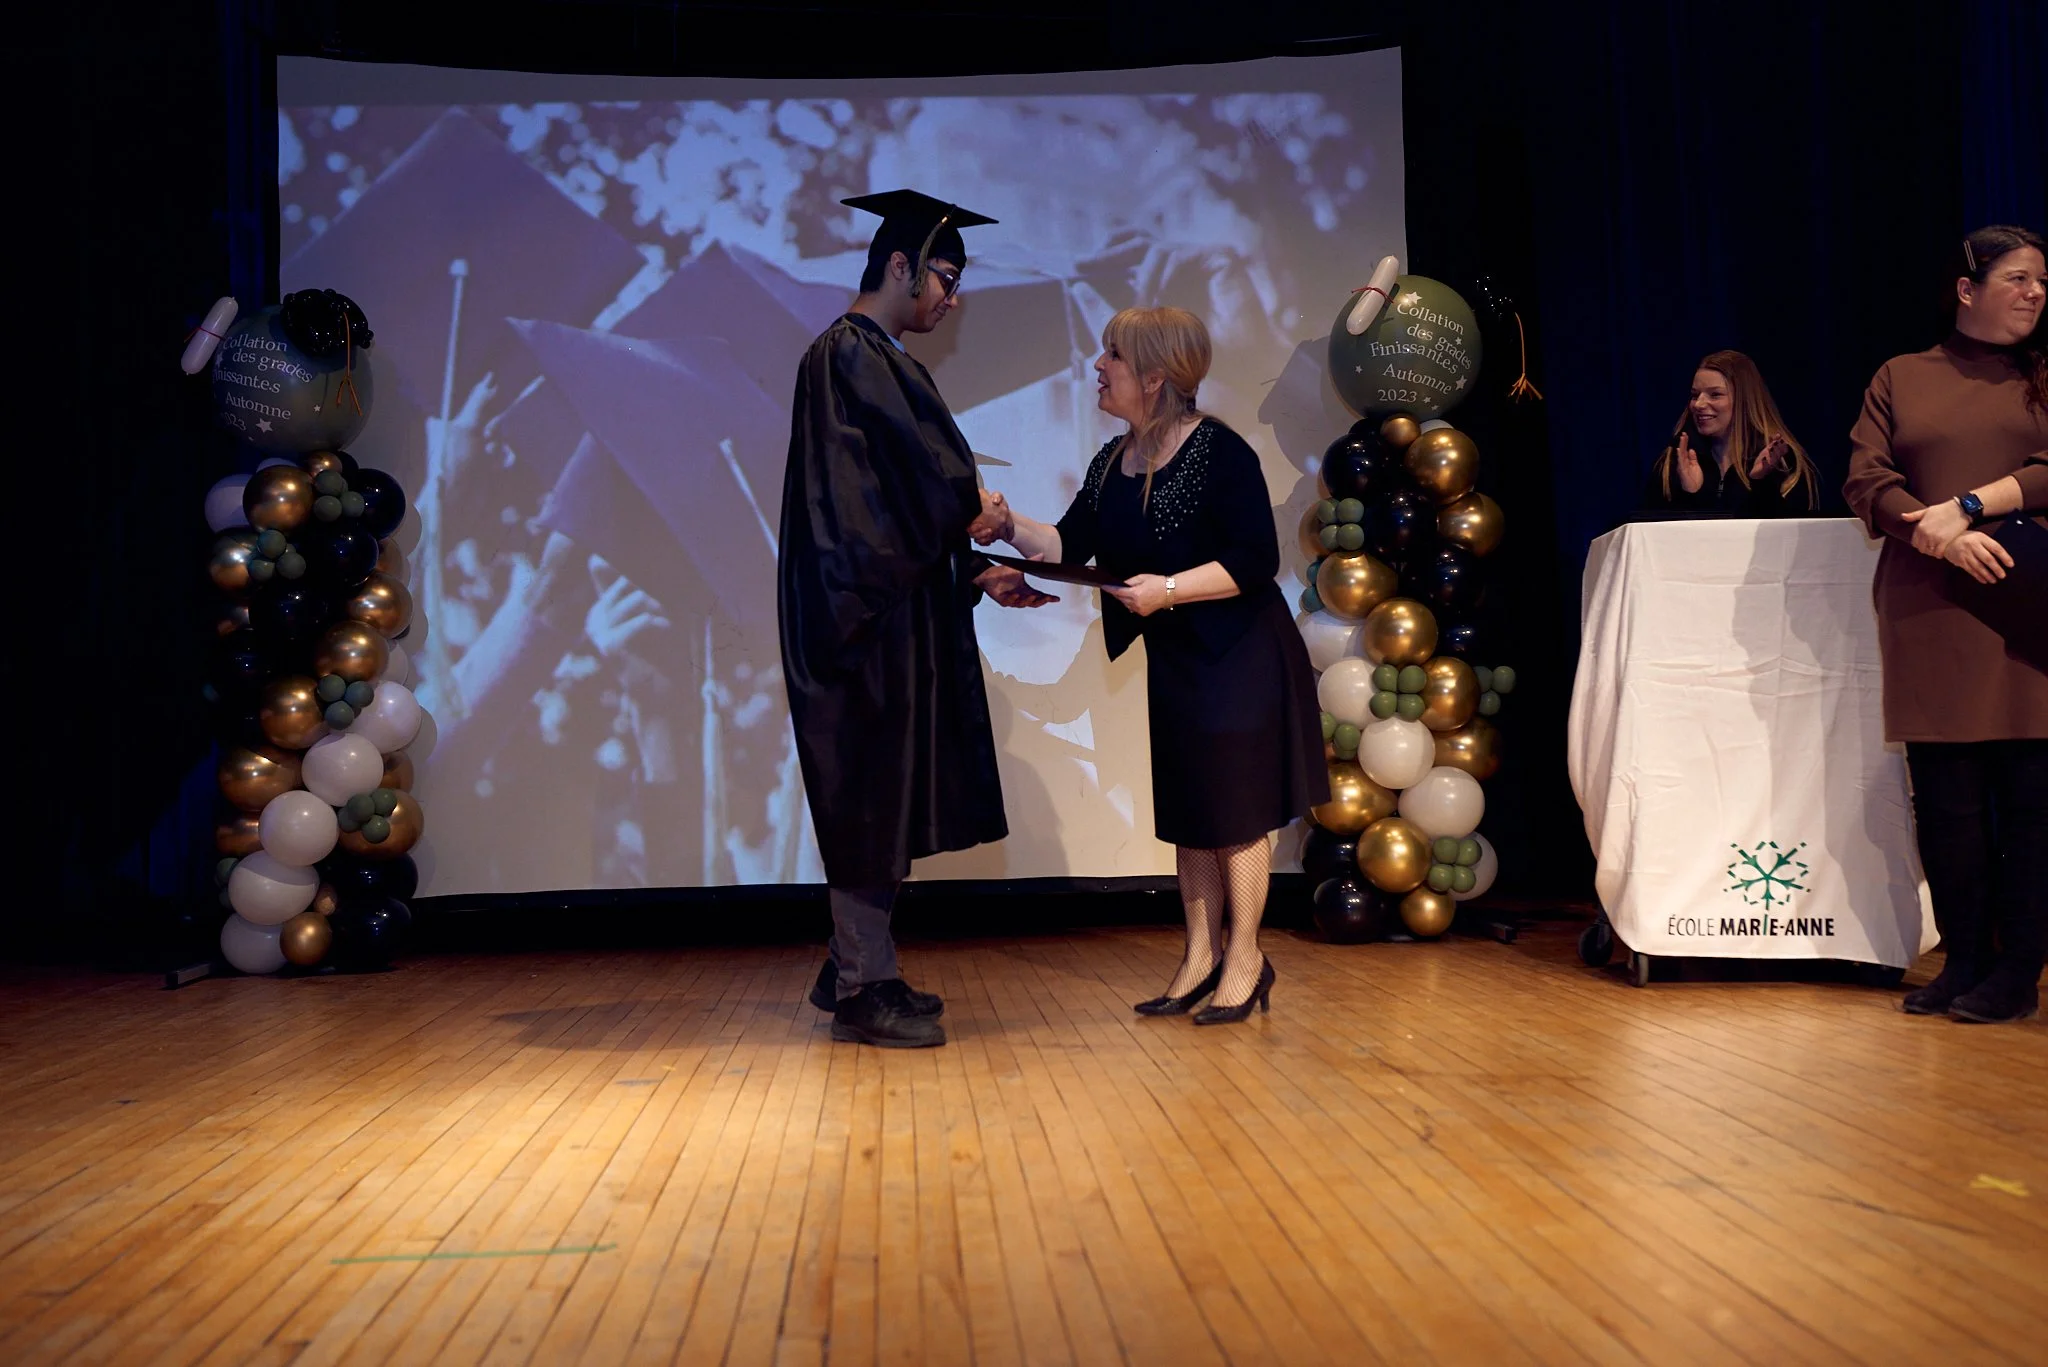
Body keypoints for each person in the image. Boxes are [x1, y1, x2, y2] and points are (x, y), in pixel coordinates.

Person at [978, 306, 1328, 1024]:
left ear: (1156, 377)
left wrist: (1167, 589)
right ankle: (1199, 957)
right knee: (1192, 813)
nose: (1097, 367)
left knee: (1235, 814)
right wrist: (1009, 525)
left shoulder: (1222, 452)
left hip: (1240, 656)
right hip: (1179, 661)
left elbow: (1255, 560)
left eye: (1113, 355)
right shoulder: (1114, 460)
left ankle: (1246, 958)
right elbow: (1071, 542)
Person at [778, 188, 1052, 1049]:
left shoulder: (871, 356)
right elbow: (905, 486)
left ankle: (854, 960)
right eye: (944, 276)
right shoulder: (849, 356)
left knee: (887, 792)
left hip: (882, 604)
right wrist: (971, 510)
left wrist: (974, 566)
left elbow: (898, 495)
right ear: (898, 266)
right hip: (856, 619)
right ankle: (864, 986)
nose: (951, 297)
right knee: (866, 792)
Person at [1844, 224, 2048, 1025]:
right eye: (2019, 278)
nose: (2036, 293)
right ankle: (1964, 957)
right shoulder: (1901, 375)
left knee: (2031, 802)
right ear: (1967, 289)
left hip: (2027, 606)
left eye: (2042, 282)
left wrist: (1969, 509)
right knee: (1949, 800)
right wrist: (1936, 537)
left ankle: (2018, 969)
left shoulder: (2042, 376)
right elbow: (1867, 479)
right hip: (1930, 605)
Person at [1644, 349, 1821, 514]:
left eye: (1715, 395)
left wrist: (1761, 484)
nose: (1698, 404)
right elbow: (1653, 539)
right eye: (1695, 395)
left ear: (1745, 400)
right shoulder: (1672, 462)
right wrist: (1690, 494)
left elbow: (1789, 539)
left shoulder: (1784, 463)